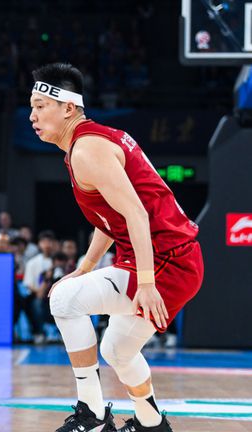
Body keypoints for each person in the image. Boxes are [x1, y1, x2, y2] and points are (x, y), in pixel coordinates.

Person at [29, 64, 203, 432]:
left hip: (165, 262)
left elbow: (136, 214)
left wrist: (147, 283)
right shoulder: (91, 141)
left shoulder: (87, 150)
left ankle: (92, 414)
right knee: (117, 351)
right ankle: (151, 423)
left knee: (63, 300)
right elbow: (110, 217)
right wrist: (86, 266)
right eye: (32, 107)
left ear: (68, 108)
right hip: (170, 258)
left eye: (41, 106)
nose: (33, 116)